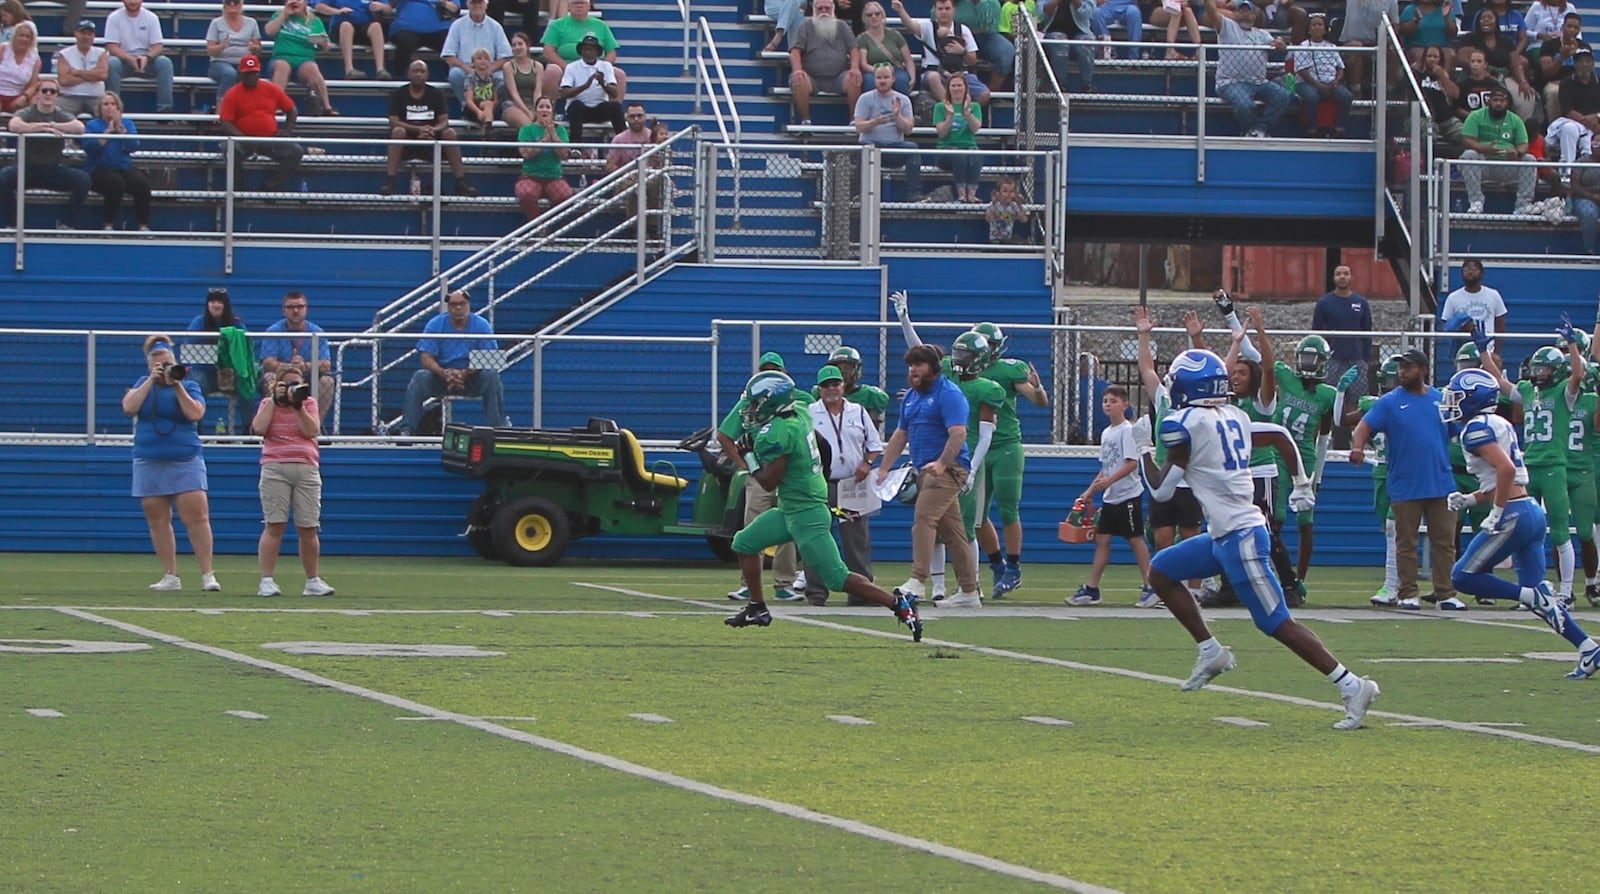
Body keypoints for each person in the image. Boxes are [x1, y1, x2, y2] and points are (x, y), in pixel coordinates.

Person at [1141, 348, 1380, 731]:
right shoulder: (1233, 415)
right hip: (1224, 534)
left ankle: (1352, 685)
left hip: (1241, 537)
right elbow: (1280, 435)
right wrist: (1301, 481)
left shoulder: (1184, 424)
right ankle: (1210, 650)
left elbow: (1162, 490)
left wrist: (1142, 451)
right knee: (1162, 572)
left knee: (1276, 623)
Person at [724, 371, 922, 641]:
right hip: (792, 509)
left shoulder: (780, 432)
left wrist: (748, 455)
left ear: (772, 403)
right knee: (744, 543)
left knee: (837, 578)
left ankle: (899, 604)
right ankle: (757, 607)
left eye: (756, 403)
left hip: (807, 514)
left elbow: (769, 482)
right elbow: (823, 444)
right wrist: (821, 475)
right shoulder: (802, 412)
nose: (751, 409)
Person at [1441, 355, 1599, 679]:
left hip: (1513, 514)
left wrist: (1496, 511)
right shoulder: (1498, 423)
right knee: (1537, 595)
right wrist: (1472, 498)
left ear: (1473, 399)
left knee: (1461, 577)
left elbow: (1507, 469)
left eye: (1457, 397)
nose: (1451, 404)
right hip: (1529, 511)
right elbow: (1508, 478)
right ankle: (1587, 648)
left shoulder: (1475, 430)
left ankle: (1531, 595)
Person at [1349, 347, 1461, 610]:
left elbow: (1458, 429)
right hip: (1405, 482)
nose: (1403, 372)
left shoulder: (1441, 398)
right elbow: (1364, 426)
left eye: (1408, 367)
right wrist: (1357, 446)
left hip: (1440, 481)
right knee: (1406, 542)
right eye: (1401, 367)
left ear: (1422, 370)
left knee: (1445, 541)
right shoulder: (1390, 401)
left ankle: (1445, 592)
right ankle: (1408, 592)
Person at [875, 343, 982, 605]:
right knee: (954, 533)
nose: (913, 370)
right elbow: (901, 434)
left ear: (934, 367)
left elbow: (958, 433)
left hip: (947, 469)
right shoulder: (912, 396)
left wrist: (943, 464)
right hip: (924, 467)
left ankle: (917, 580)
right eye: (911, 365)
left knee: (923, 520)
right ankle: (969, 591)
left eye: (919, 364)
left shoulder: (949, 394)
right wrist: (884, 467)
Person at [123, 335, 220, 593]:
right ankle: (170, 574)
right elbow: (129, 408)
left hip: (185, 458)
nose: (163, 367)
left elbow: (195, 414)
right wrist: (151, 382)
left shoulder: (189, 386)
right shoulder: (142, 384)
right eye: (158, 364)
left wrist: (176, 385)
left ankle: (207, 573)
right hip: (150, 458)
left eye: (167, 363)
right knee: (157, 518)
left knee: (197, 516)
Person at [1496, 340, 1581, 604]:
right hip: (1529, 466)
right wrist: (1485, 354)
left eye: (1543, 369)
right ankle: (1530, 591)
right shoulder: (1528, 391)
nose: (1537, 373)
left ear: (1556, 371)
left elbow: (1577, 374)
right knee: (1525, 531)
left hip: (1554, 466)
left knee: (1559, 530)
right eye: (1536, 368)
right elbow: (1501, 383)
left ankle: (1566, 592)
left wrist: (1573, 345)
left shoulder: (1564, 393)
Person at [720, 352, 808, 602]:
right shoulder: (748, 401)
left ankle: (784, 583)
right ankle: (749, 583)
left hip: (789, 474)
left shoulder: (800, 400)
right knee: (753, 525)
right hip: (760, 472)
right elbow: (725, 435)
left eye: (775, 371)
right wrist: (746, 465)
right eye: (766, 371)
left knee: (789, 528)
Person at [1135, 306, 1207, 605]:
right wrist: (1144, 335)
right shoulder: (1165, 399)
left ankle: (1195, 590)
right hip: (1165, 476)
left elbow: (1210, 366)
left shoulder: (1199, 402)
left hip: (1190, 478)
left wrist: (1197, 338)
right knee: (1162, 536)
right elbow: (1147, 370)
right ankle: (1166, 587)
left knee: (1191, 536)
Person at [804, 364, 884, 606]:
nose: (831, 389)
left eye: (835, 384)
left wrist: (867, 464)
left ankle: (862, 593)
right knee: (816, 538)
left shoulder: (857, 412)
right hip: (820, 485)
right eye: (826, 385)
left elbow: (875, 445)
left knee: (856, 539)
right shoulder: (809, 413)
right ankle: (816, 593)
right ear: (819, 389)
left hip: (851, 485)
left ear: (843, 386)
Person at [252, 365, 335, 598]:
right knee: (274, 524)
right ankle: (266, 580)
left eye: (296, 384)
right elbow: (258, 428)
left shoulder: (308, 404)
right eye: (287, 384)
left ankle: (312, 580)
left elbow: (311, 430)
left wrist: (297, 405)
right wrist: (273, 401)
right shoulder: (267, 404)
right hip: (275, 467)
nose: (292, 389)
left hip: (306, 467)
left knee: (308, 527)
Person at [1067, 386, 1154, 607]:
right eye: (1105, 400)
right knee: (1102, 539)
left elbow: (1132, 463)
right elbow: (1106, 467)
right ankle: (1092, 589)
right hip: (1111, 496)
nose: (1108, 404)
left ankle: (1151, 586)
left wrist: (1110, 481)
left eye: (1113, 401)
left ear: (1125, 404)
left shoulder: (1127, 430)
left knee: (1135, 539)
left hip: (1128, 495)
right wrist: (1090, 491)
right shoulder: (1107, 433)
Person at [1272, 334, 1346, 589]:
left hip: (1305, 459)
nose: (1308, 364)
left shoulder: (1327, 394)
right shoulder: (1285, 377)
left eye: (1313, 359)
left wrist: (1319, 477)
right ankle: (1277, 574)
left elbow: (1326, 435)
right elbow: (1259, 357)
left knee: (1305, 521)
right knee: (1276, 517)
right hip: (1278, 455)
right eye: (1305, 358)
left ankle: (1299, 579)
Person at [938, 330, 1002, 608]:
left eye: (965, 354)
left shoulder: (987, 388)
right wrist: (904, 320)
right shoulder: (949, 378)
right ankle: (953, 585)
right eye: (958, 353)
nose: (959, 359)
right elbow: (920, 352)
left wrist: (973, 468)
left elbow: (986, 435)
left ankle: (971, 585)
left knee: (967, 527)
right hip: (945, 454)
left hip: (967, 458)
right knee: (941, 524)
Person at [399, 289, 505, 434]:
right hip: (442, 378)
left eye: (462, 304)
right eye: (454, 304)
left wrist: (465, 373)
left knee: (492, 376)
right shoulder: (435, 324)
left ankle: (497, 430)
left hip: (473, 378)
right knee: (419, 377)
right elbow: (426, 358)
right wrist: (444, 373)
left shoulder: (482, 325)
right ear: (448, 307)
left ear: (469, 305)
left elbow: (492, 358)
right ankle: (406, 430)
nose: (458, 308)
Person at [1341, 355, 1402, 603]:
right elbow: (1341, 421)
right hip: (1381, 469)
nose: (1392, 384)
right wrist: (1340, 393)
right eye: (1388, 379)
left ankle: (1393, 584)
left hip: (1405, 471)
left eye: (1395, 379)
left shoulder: (1414, 402)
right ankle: (1397, 584)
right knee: (1390, 529)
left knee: (1394, 528)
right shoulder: (1374, 405)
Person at [0, 81, 91, 230]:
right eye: (44, 91)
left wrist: (52, 126)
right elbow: (14, 125)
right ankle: (12, 223)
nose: (48, 94)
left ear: (57, 95)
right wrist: (39, 127)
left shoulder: (61, 114)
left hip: (52, 170)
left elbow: (79, 127)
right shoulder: (28, 112)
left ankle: (66, 224)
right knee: (3, 177)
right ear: (38, 94)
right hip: (26, 169)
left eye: (52, 91)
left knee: (84, 179)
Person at [381, 59, 477, 196]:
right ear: (409, 74)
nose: (418, 74)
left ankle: (460, 181)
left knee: (449, 133)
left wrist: (433, 130)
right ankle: (390, 181)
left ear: (427, 75)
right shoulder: (398, 94)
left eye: (422, 71)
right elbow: (394, 121)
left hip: (432, 142)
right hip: (408, 143)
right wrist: (417, 130)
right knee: (398, 131)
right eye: (415, 71)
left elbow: (444, 121)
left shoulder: (436, 94)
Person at [217, 55, 304, 192]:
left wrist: (287, 131)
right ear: (241, 74)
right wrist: (243, 137)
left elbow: (292, 110)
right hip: (244, 140)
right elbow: (225, 121)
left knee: (295, 151)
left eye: (254, 73)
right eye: (247, 74)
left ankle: (269, 187)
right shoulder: (232, 93)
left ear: (259, 73)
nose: (251, 77)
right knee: (230, 150)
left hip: (269, 138)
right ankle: (239, 191)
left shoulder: (271, 89)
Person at [1204, 0, 1290, 138]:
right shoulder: (1227, 26)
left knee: (1284, 96)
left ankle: (1260, 128)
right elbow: (1212, 13)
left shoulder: (1262, 34)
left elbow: (1277, 44)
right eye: (1241, 10)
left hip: (1259, 82)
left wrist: (1280, 42)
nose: (1245, 14)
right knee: (1244, 105)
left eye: (1248, 10)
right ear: (1235, 13)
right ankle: (1251, 130)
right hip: (1231, 82)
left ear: (1255, 14)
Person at [81, 92, 152, 231]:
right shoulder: (93, 125)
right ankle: (109, 224)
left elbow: (134, 146)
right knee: (115, 183)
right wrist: (107, 133)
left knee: (142, 182)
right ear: (100, 108)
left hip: (123, 167)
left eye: (113, 104)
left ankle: (143, 225)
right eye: (106, 104)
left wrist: (122, 133)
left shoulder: (127, 124)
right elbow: (90, 149)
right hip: (98, 169)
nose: (109, 107)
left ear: (119, 108)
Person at [853, 64, 922, 202]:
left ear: (893, 79)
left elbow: (908, 129)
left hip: (894, 147)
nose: (882, 81)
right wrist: (875, 122)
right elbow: (859, 127)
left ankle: (913, 194)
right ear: (874, 80)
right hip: (871, 146)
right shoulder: (865, 98)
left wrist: (897, 116)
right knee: (864, 148)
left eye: (886, 77)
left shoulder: (903, 100)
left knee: (913, 150)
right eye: (879, 78)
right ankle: (859, 194)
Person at [539, 0, 627, 107]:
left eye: (583, 3)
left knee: (619, 74)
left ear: (589, 6)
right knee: (552, 71)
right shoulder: (557, 25)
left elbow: (611, 52)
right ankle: (549, 110)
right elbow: (548, 52)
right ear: (569, 7)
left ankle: (615, 112)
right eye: (575, 3)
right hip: (566, 66)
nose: (579, 6)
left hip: (595, 66)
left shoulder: (601, 25)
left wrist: (603, 68)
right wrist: (568, 68)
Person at [789, 0, 864, 126]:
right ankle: (806, 121)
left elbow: (854, 49)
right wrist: (797, 70)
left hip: (839, 76)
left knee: (854, 79)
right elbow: (795, 51)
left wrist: (855, 68)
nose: (824, 12)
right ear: (813, 9)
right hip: (811, 77)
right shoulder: (805, 26)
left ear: (833, 9)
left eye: (827, 8)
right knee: (798, 80)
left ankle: (854, 120)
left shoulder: (842, 26)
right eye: (820, 8)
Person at [258, 290, 335, 410]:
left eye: (300, 306)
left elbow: (326, 364)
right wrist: (289, 367)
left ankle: (314, 425)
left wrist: (304, 366)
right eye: (291, 307)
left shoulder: (317, 332)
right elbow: (268, 363)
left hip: (308, 377)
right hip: (281, 376)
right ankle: (276, 423)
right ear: (284, 310)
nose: (295, 311)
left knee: (327, 381)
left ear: (306, 309)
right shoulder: (273, 331)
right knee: (269, 377)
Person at [1312, 264, 1374, 398]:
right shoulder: (1324, 303)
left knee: (1356, 400)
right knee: (1331, 398)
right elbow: (1316, 332)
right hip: (1332, 360)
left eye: (1346, 274)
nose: (1342, 277)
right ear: (1334, 278)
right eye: (1338, 274)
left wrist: (1364, 358)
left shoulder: (1361, 303)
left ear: (1351, 277)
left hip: (1356, 360)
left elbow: (1367, 332)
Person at [266, 0, 336, 116]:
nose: (295, 2)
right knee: (282, 66)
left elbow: (325, 46)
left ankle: (326, 106)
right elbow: (269, 31)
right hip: (281, 58)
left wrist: (322, 42)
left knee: (312, 68)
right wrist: (285, 14)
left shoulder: (314, 21)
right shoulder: (279, 15)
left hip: (303, 60)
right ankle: (275, 105)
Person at [105, 0, 175, 114]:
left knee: (165, 63)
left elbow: (157, 46)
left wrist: (147, 57)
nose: (133, 1)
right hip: (123, 61)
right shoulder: (114, 18)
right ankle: (113, 108)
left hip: (147, 61)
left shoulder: (151, 17)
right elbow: (112, 47)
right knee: (112, 63)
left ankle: (165, 108)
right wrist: (130, 59)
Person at [514, 95, 577, 218]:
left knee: (565, 196)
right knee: (525, 193)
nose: (544, 110)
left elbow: (564, 154)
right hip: (530, 176)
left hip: (554, 176)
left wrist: (553, 134)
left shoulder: (560, 130)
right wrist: (545, 140)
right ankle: (539, 226)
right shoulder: (526, 130)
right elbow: (526, 154)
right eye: (541, 107)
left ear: (552, 111)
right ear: (535, 110)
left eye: (547, 107)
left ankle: (549, 220)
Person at [1289, 14, 1351, 137]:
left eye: (1320, 25)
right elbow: (1302, 71)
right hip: (1306, 82)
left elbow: (1340, 68)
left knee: (1347, 97)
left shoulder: (1332, 47)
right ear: (1309, 29)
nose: (1317, 27)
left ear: (1325, 29)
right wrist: (1319, 86)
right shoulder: (1303, 46)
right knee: (1312, 97)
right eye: (1314, 25)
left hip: (1330, 83)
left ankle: (1339, 129)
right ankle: (1312, 130)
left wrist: (1336, 81)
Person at [559, 33, 624, 148]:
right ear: (581, 51)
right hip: (579, 111)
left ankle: (625, 144)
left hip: (599, 109)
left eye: (592, 50)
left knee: (615, 106)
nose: (588, 52)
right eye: (586, 49)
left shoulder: (606, 66)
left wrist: (603, 83)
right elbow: (564, 93)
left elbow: (614, 94)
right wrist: (585, 86)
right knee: (575, 106)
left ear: (597, 52)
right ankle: (575, 147)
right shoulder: (572, 67)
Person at [443, 0, 511, 107]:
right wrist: (468, 69)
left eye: (480, 3)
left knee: (504, 79)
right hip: (466, 69)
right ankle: (467, 106)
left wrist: (488, 70)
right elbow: (448, 55)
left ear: (486, 5)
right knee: (455, 74)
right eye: (473, 3)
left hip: (491, 70)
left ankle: (491, 108)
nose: (477, 6)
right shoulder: (457, 25)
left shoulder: (495, 26)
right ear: (468, 5)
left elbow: (506, 56)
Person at [186, 286, 248, 396]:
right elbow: (190, 351)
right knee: (197, 381)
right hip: (205, 372)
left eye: (220, 302)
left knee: (247, 383)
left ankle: (249, 414)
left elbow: (245, 348)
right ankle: (199, 412)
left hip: (232, 373)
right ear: (207, 304)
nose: (216, 305)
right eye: (212, 301)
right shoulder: (198, 323)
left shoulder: (237, 323)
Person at [933, 71, 984, 203]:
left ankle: (971, 194)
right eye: (953, 86)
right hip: (946, 150)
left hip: (969, 147)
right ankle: (962, 195)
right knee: (959, 154)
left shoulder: (975, 107)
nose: (956, 89)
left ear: (965, 88)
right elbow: (942, 133)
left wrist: (967, 113)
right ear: (948, 89)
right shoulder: (940, 107)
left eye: (959, 85)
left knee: (976, 154)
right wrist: (949, 116)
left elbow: (975, 128)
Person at [1546, 48, 1600, 168]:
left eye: (1587, 61)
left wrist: (1596, 117)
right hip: (1573, 121)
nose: (1584, 65)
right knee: (1569, 129)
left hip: (1596, 123)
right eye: (1580, 62)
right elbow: (1567, 110)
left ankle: (1590, 173)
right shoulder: (1566, 82)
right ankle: (1567, 171)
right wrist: (1588, 122)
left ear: (1592, 64)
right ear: (1575, 65)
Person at [1439, 258, 1509, 349]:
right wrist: (1461, 328)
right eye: (1466, 269)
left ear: (1482, 273)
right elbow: (1445, 325)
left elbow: (1501, 324)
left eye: (1474, 269)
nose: (1470, 272)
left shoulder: (1494, 295)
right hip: (1462, 351)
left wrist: (1497, 352)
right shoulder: (1453, 297)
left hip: (1488, 350)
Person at [812, 344, 890, 425]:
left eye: (847, 368)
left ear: (856, 370)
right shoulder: (820, 392)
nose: (842, 373)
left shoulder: (870, 395)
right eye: (838, 369)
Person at [206, 0, 262, 108]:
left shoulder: (252, 23)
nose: (232, 5)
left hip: (244, 61)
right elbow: (210, 50)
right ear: (224, 5)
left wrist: (254, 48)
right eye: (228, 2)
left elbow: (258, 50)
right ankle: (222, 109)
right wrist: (221, 46)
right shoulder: (216, 23)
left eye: (235, 2)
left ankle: (247, 109)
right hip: (220, 61)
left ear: (241, 5)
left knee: (248, 74)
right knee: (230, 74)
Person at [314, 0, 388, 80]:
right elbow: (319, 6)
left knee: (376, 26)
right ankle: (349, 70)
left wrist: (382, 7)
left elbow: (388, 9)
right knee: (346, 26)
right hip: (341, 26)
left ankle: (381, 70)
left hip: (364, 26)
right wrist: (338, 11)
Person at [855, 2, 915, 96]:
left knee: (902, 80)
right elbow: (863, 64)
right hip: (872, 71)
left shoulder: (895, 34)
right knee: (870, 82)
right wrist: (881, 71)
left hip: (895, 70)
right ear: (865, 18)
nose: (874, 17)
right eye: (870, 15)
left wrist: (913, 77)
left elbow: (908, 60)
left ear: (882, 15)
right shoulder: (862, 38)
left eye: (877, 13)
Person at [55, 19, 110, 117]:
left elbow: (102, 75)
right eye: (83, 33)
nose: (86, 37)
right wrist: (92, 75)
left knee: (109, 110)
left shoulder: (101, 53)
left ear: (93, 36)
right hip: (69, 97)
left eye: (89, 34)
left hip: (96, 97)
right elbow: (64, 80)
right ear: (76, 34)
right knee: (56, 109)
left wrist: (77, 72)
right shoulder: (64, 54)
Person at [388, 0, 456, 78]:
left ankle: (451, 77)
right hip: (406, 27)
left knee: (450, 41)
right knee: (405, 41)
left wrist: (445, 3)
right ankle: (399, 77)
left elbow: (454, 8)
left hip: (439, 28)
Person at [499, 31, 543, 131]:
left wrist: (536, 110)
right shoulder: (508, 66)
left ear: (527, 46)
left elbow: (538, 92)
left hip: (532, 104)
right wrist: (528, 112)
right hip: (513, 105)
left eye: (520, 44)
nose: (517, 47)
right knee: (528, 127)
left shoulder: (538, 66)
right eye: (514, 45)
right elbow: (514, 94)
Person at [1397, 0, 1458, 71]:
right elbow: (1404, 31)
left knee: (1450, 54)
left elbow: (1453, 33)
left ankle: (1443, 80)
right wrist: (1416, 21)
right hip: (1417, 46)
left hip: (1442, 47)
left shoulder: (1444, 8)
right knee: (1419, 54)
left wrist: (1446, 17)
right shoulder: (1410, 10)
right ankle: (1423, 80)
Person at [0, 20, 41, 112]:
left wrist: (24, 96)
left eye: (28, 37)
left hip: (18, 94)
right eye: (21, 35)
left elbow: (33, 85)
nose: (24, 39)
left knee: (35, 103)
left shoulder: (35, 59)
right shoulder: (3, 49)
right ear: (14, 37)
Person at [462, 48, 499, 134]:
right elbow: (469, 101)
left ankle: (486, 130)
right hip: (472, 109)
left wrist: (487, 110)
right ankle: (488, 130)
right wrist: (478, 112)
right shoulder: (470, 78)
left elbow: (496, 100)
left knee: (488, 103)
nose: (483, 61)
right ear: (473, 62)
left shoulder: (493, 79)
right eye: (479, 59)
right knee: (487, 103)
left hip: (488, 108)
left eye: (486, 59)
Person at [986, 176, 1029, 243]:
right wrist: (994, 203)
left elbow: (1024, 220)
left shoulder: (1014, 205)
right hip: (995, 239)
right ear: (999, 193)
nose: (1008, 194)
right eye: (1005, 191)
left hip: (1008, 239)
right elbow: (990, 219)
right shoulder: (994, 205)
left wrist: (1019, 204)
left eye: (1011, 191)